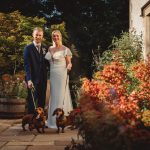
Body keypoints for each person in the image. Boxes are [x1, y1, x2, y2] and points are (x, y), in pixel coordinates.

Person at [45, 30, 73, 128]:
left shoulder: (65, 49)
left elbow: (69, 62)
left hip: (62, 74)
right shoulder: (50, 48)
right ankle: (52, 121)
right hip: (53, 75)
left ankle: (62, 121)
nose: (55, 38)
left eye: (57, 36)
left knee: (61, 95)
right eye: (54, 36)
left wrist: (69, 66)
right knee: (53, 95)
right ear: (52, 38)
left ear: (60, 37)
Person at [23, 27, 48, 114]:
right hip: (32, 79)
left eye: (40, 35)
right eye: (36, 35)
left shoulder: (45, 47)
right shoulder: (28, 48)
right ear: (33, 35)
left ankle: (40, 120)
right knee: (32, 101)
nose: (38, 36)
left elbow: (48, 63)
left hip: (43, 78)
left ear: (42, 36)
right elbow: (27, 65)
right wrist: (29, 79)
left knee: (42, 100)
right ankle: (31, 121)